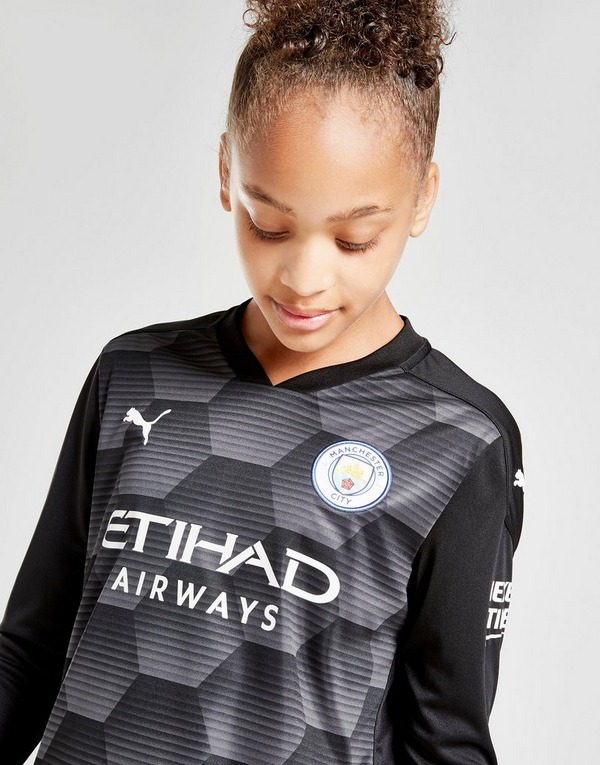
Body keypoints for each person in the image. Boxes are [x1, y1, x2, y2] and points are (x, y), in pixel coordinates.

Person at [0, 1, 525, 763]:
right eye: (269, 225)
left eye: (354, 238)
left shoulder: (460, 440)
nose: (305, 277)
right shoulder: (134, 372)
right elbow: (29, 650)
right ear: (227, 173)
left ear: (422, 198)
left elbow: (445, 740)